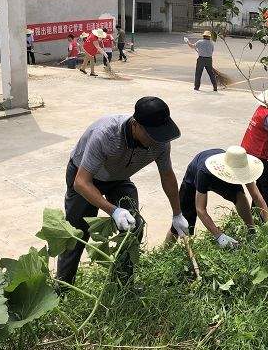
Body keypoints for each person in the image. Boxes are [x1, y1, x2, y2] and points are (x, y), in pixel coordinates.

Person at [56, 97, 190, 285]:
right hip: (85, 175)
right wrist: (113, 210)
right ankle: (63, 287)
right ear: (135, 125)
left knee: (134, 225)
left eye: (159, 134)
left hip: (118, 178)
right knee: (76, 233)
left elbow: (167, 175)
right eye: (151, 135)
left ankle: (123, 284)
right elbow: (81, 182)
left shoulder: (159, 141)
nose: (155, 141)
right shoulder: (105, 135)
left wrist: (177, 213)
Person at [166, 146, 268, 248]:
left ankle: (252, 232)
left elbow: (256, 196)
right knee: (182, 222)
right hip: (197, 176)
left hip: (226, 170)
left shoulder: (240, 165)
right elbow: (200, 209)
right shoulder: (203, 173)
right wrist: (219, 236)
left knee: (240, 196)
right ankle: (165, 252)